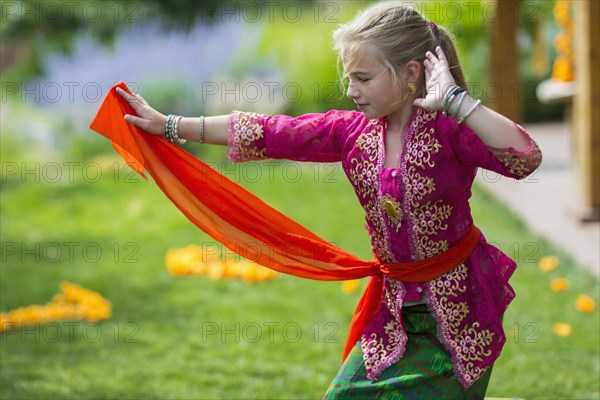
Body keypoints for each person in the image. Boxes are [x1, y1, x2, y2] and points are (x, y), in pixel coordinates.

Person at [112, 2, 542, 398]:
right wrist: (170, 125)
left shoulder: (451, 131)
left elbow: (525, 158)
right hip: (393, 318)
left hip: (460, 317)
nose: (351, 90)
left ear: (411, 74)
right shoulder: (351, 133)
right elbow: (267, 130)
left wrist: (457, 102)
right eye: (349, 78)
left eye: (364, 78)